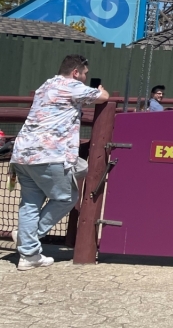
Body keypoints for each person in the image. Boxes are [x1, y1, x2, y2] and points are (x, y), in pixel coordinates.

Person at [11, 55, 108, 270]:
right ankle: (28, 244)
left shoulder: (47, 84)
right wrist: (99, 88)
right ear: (76, 72)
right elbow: (103, 97)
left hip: (22, 153)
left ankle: (29, 253)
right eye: (84, 74)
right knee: (67, 197)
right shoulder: (72, 86)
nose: (84, 78)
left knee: (30, 203)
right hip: (49, 154)